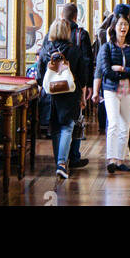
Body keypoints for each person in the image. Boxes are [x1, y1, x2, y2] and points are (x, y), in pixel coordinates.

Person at [93, 12, 130, 174]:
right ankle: (111, 159)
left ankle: (120, 159)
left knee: (125, 126)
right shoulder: (106, 48)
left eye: (126, 24)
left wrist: (122, 69)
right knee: (114, 123)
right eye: (120, 24)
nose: (123, 27)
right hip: (111, 90)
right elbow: (105, 71)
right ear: (114, 27)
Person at [36, 17, 84, 182]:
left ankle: (60, 163)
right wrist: (82, 93)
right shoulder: (75, 50)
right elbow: (83, 76)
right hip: (69, 95)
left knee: (55, 128)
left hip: (50, 96)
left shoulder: (44, 50)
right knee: (67, 127)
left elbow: (39, 76)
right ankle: (62, 163)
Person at [61, 3, 94, 171]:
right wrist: (87, 85)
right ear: (76, 17)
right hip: (75, 84)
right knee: (76, 120)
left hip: (57, 85)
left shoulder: (55, 33)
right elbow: (87, 61)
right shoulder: (81, 34)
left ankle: (60, 158)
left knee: (60, 122)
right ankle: (73, 156)